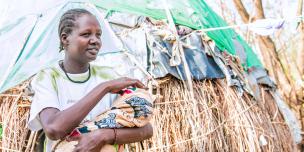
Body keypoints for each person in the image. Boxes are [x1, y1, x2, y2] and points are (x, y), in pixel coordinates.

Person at [28, 8, 153, 152]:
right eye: (86, 34)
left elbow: (146, 129)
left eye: (98, 35)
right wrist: (104, 88)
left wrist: (104, 135)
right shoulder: (48, 77)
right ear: (65, 39)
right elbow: (54, 129)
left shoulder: (108, 74)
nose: (95, 40)